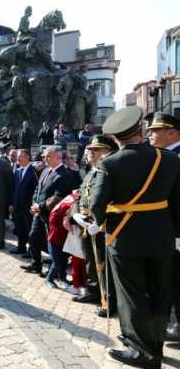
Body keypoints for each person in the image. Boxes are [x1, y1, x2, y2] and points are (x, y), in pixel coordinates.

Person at [90, 106, 180, 369]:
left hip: (125, 237)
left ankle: (142, 351)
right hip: (163, 236)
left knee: (132, 296)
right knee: (159, 292)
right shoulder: (170, 159)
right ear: (141, 131)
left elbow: (97, 205)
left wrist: (99, 221)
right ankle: (155, 345)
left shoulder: (109, 163)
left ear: (117, 138)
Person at [70, 135, 117, 317]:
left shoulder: (109, 173)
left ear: (107, 152)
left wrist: (100, 222)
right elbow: (80, 195)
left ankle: (109, 301)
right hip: (86, 224)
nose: (89, 152)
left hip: (103, 226)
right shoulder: (90, 173)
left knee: (105, 265)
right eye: (89, 149)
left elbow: (113, 201)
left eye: (95, 150)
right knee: (91, 261)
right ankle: (94, 292)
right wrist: (76, 214)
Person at [144, 112, 180, 342]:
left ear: (172, 132)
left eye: (155, 131)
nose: (150, 135)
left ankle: (178, 325)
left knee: (177, 277)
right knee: (168, 277)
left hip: (175, 229)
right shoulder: (165, 155)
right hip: (165, 228)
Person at [21, 146, 73, 274]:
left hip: (52, 215)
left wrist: (41, 206)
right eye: (44, 156)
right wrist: (34, 203)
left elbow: (58, 197)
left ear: (58, 157)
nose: (45, 159)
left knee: (53, 243)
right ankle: (36, 264)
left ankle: (55, 270)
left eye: (48, 156)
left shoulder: (64, 174)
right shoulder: (45, 170)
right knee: (33, 237)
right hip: (39, 213)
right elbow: (38, 189)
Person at [10, 149, 37, 254]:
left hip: (28, 207)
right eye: (17, 156)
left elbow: (36, 189)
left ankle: (32, 251)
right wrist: (11, 203)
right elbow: (13, 188)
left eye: (20, 156)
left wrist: (33, 205)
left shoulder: (33, 171)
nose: (18, 158)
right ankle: (21, 248)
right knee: (20, 228)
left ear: (27, 157)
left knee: (30, 229)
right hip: (17, 206)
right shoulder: (17, 171)